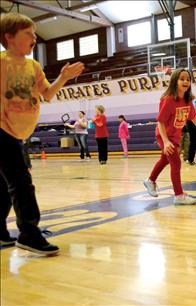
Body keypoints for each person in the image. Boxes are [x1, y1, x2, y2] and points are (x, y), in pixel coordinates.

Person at [0, 12, 84, 254]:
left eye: (35, 34)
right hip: (2, 131)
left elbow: (47, 94)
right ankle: (28, 233)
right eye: (28, 34)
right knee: (21, 183)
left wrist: (63, 78)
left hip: (18, 134)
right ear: (10, 37)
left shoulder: (33, 65)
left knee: (5, 185)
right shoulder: (2, 63)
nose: (34, 38)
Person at [143, 69, 196, 205]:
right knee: (176, 163)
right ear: (174, 81)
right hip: (164, 135)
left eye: (188, 79)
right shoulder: (169, 100)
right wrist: (165, 141)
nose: (185, 81)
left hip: (175, 135)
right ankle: (179, 196)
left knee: (165, 159)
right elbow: (160, 121)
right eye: (182, 79)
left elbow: (193, 116)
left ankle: (150, 181)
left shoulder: (188, 100)